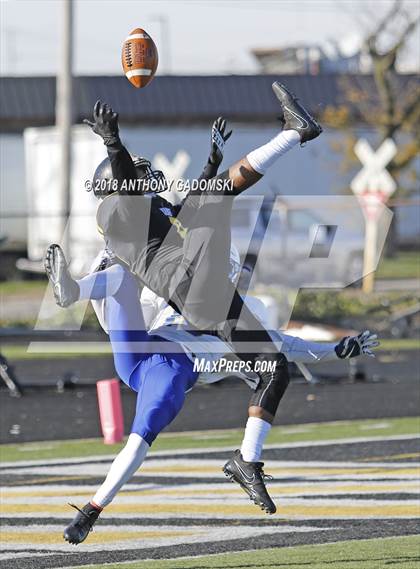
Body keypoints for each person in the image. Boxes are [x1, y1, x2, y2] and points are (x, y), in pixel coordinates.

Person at [81, 83, 323, 500]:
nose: (146, 176)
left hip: (211, 299)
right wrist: (113, 143)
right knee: (217, 197)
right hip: (186, 283)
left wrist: (211, 164)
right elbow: (126, 186)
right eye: (137, 173)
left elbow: (189, 209)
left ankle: (246, 460)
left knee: (273, 369)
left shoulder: (150, 205)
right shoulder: (113, 210)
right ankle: (296, 132)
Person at [45, 243, 379, 544]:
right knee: (118, 276)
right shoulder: (181, 290)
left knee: (139, 440)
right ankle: (71, 291)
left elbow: (285, 344)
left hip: (172, 371)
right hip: (142, 346)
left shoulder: (237, 320)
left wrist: (337, 350)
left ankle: (90, 512)